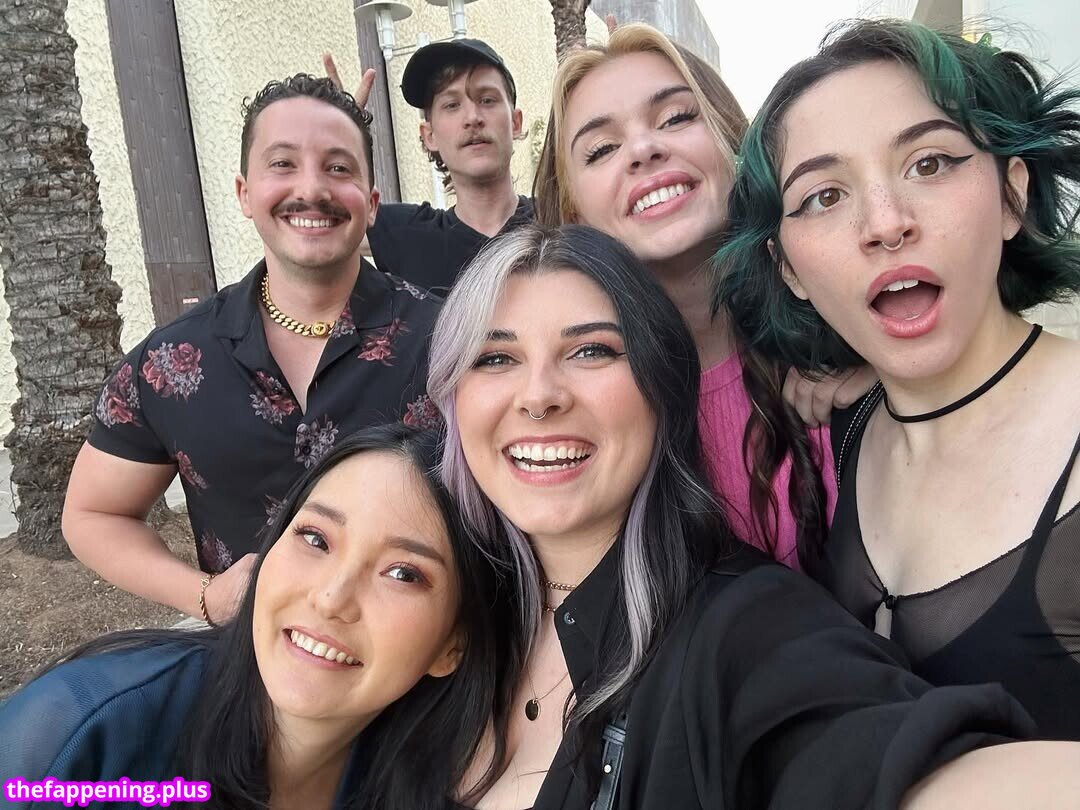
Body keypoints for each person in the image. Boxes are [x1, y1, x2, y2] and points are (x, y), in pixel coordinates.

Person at [427, 222, 1080, 810]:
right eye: (495, 358)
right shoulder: (432, 608)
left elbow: (881, 756)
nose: (539, 396)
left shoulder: (749, 628)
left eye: (592, 350)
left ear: (662, 390)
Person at [717, 20, 1080, 738]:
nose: (885, 223)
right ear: (788, 269)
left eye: (929, 163)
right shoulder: (844, 427)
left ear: (1011, 196)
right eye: (825, 196)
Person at [62, 74, 442, 625]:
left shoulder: (451, 341)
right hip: (247, 665)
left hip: (429, 664)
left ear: (373, 203)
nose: (312, 188)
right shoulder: (171, 361)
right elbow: (93, 513)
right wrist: (205, 596)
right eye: (283, 163)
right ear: (244, 193)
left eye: (339, 167)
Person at [2, 425, 513, 810]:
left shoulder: (439, 782)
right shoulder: (77, 739)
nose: (331, 598)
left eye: (403, 573)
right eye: (315, 539)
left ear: (454, 644)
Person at [531, 24, 876, 570]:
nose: (644, 149)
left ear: (732, 139)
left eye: (675, 118)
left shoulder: (847, 329)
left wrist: (895, 384)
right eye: (601, 149)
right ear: (573, 210)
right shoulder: (564, 407)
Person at [326, 39, 534, 294]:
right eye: (452, 105)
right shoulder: (410, 237)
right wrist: (337, 142)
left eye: (487, 100)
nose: (472, 118)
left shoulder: (561, 219)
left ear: (515, 122)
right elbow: (324, 223)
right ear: (429, 135)